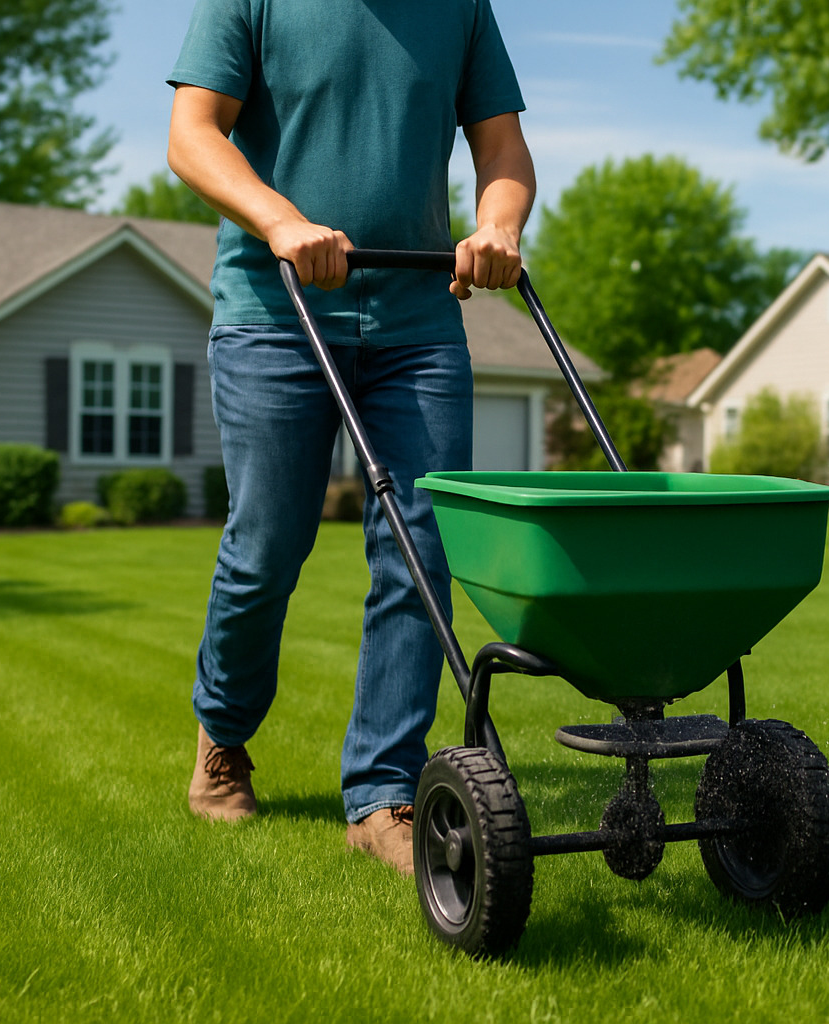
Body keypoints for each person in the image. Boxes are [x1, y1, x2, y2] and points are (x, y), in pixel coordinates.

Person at [164, 0, 534, 875]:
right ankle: (224, 735)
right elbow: (193, 134)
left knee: (423, 545)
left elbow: (503, 148)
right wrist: (280, 220)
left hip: (418, 321)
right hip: (274, 312)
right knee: (266, 545)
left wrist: (498, 224)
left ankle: (381, 793)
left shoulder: (459, 9)